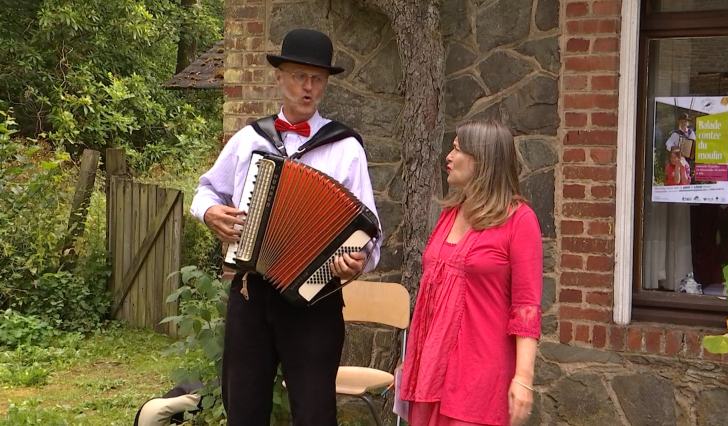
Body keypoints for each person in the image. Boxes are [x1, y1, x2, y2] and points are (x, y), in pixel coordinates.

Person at [189, 28, 382, 426]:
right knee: (244, 407)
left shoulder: (346, 147)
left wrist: (358, 261)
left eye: (317, 79)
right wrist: (210, 214)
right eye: (299, 76)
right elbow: (206, 191)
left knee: (314, 414)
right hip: (250, 291)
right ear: (279, 77)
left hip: (316, 300)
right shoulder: (248, 139)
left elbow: (368, 233)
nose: (308, 87)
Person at [398, 121, 542, 426]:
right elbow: (431, 298)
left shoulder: (520, 221)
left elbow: (527, 308)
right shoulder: (450, 214)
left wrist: (523, 378)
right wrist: (412, 361)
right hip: (432, 376)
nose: (448, 157)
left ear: (481, 160)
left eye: (457, 149)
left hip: (480, 380)